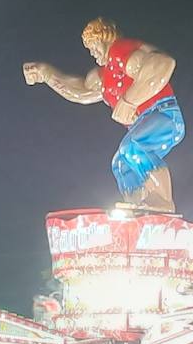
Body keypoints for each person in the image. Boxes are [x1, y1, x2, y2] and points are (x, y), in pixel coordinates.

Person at [23, 18, 184, 211]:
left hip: (164, 114)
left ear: (105, 38)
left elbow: (163, 63)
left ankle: (161, 200)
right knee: (120, 163)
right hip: (146, 121)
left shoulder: (121, 52)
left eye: (93, 46)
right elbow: (80, 92)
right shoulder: (103, 76)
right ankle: (138, 204)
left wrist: (128, 101)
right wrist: (46, 74)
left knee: (133, 148)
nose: (92, 53)